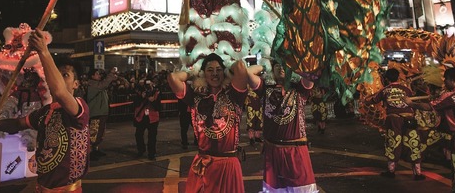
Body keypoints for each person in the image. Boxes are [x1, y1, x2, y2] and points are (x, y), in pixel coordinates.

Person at [0, 28, 89, 192]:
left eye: (64, 75)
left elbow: (59, 91)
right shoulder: (45, 112)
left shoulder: (79, 107)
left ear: (76, 84)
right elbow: (17, 124)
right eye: (56, 74)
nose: (58, 77)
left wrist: (43, 51)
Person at [168, 52, 250, 193]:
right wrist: (192, 73)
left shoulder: (234, 94)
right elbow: (172, 78)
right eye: (210, 70)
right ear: (203, 74)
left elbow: (241, 68)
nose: (215, 74)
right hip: (204, 165)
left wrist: (230, 67)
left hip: (228, 164)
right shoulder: (196, 96)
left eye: (219, 70)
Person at [247, 62, 319, 193]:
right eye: (277, 65)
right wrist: (266, 65)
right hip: (273, 152)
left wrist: (294, 64)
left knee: (302, 190)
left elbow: (311, 75)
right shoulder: (265, 88)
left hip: (296, 150)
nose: (280, 68)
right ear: (272, 69)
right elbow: (248, 72)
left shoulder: (299, 89)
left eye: (284, 65)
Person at [363, 68, 424, 180]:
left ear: (386, 79)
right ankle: (418, 173)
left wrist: (365, 101)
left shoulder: (385, 90)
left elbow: (373, 100)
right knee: (412, 144)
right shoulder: (406, 89)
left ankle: (391, 171)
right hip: (409, 118)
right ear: (398, 77)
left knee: (393, 143)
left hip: (394, 120)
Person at [86, 66, 118, 160]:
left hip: (101, 112)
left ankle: (96, 149)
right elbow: (103, 85)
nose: (99, 75)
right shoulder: (92, 84)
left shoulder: (98, 84)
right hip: (95, 113)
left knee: (100, 132)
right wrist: (111, 74)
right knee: (94, 132)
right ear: (92, 76)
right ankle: (90, 151)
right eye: (97, 73)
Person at [132, 79, 161, 160]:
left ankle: (151, 153)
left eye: (149, 86)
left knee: (152, 137)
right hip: (141, 117)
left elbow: (158, 107)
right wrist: (141, 97)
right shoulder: (139, 93)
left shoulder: (156, 93)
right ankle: (141, 150)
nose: (148, 88)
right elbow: (134, 105)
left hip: (152, 118)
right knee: (138, 135)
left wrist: (153, 101)